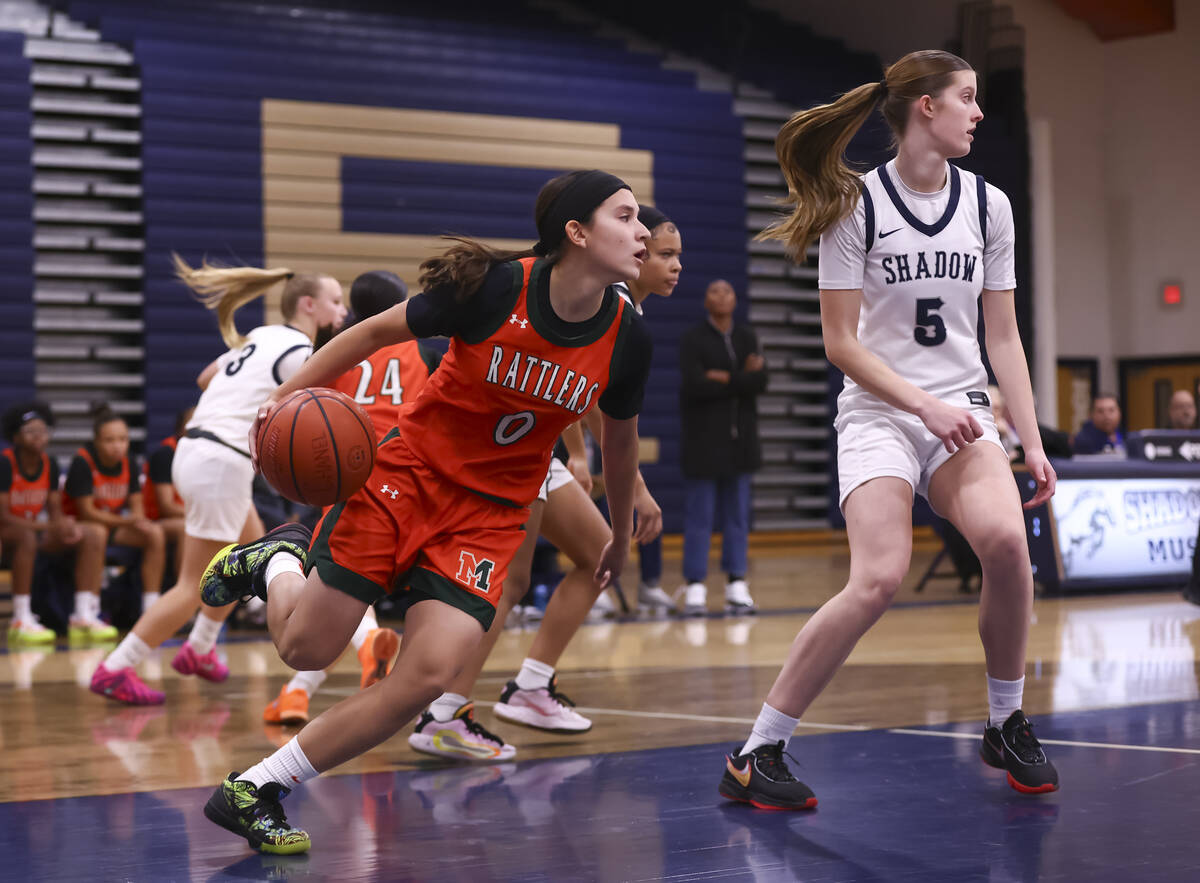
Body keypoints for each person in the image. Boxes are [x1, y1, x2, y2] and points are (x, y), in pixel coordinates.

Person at [197, 169, 651, 854]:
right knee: (305, 647)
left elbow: (620, 444)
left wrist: (619, 530)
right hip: (407, 476)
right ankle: (278, 559)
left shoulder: (627, 337)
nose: (642, 230)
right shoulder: (500, 286)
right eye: (625, 216)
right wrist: (284, 397)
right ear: (576, 231)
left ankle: (256, 787)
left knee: (429, 674)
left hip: (489, 515)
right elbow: (372, 332)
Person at [717, 50, 1059, 811]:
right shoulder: (856, 205)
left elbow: (1002, 336)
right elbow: (841, 343)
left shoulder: (988, 204)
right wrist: (923, 406)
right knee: (877, 577)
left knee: (1008, 545)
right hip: (879, 411)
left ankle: (1007, 720)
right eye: (966, 98)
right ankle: (758, 748)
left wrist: (1031, 438)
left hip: (961, 409)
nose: (978, 112)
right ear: (924, 109)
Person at [406, 203, 672, 762]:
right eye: (663, 252)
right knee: (506, 581)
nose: (669, 262)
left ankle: (529, 683)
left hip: (534, 452)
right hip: (506, 457)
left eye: (674, 254)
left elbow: (574, 393)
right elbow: (579, 396)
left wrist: (576, 453)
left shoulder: (618, 312)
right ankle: (445, 710)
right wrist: (621, 477)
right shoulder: (606, 300)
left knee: (594, 555)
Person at [88, 258, 346, 705]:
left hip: (196, 451)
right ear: (309, 304)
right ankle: (115, 668)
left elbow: (206, 377)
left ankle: (201, 648)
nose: (342, 312)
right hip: (221, 461)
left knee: (255, 555)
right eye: (336, 302)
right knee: (192, 585)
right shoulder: (302, 353)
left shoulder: (263, 336)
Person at [262, 270, 437, 726]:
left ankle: (362, 647)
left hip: (348, 477)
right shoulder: (424, 349)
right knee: (344, 601)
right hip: (413, 481)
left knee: (330, 593)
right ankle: (297, 695)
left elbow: (312, 412)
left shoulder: (339, 349)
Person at [678, 278, 766, 616]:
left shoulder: (747, 336)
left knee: (737, 517)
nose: (721, 296)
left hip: (740, 443)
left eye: (727, 291)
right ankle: (696, 585)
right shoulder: (692, 340)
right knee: (700, 517)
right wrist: (739, 377)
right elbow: (695, 384)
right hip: (703, 443)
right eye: (714, 290)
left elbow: (760, 381)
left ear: (735, 299)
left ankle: (736, 583)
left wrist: (724, 377)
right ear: (705, 300)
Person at [1, 401, 107, 642]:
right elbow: (4, 516)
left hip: (30, 533)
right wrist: (46, 527)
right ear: (15, 436)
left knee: (92, 533)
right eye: (31, 431)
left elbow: (54, 511)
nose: (38, 437)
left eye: (43, 430)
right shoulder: (6, 463)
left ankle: (83, 614)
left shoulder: (50, 464)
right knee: (26, 537)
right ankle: (21, 618)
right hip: (7, 534)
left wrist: (63, 526)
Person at [62, 406, 164, 640]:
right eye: (109, 440)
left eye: (123, 439)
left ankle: (151, 608)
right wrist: (128, 520)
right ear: (96, 441)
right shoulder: (83, 461)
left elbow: (137, 506)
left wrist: (137, 521)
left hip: (110, 525)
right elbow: (86, 512)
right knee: (96, 532)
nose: (117, 445)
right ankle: (85, 612)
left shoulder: (129, 462)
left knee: (154, 533)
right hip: (77, 527)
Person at [142, 407, 194, 588]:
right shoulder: (165, 455)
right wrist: (203, 515)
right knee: (188, 529)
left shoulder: (203, 456)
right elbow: (166, 506)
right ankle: (183, 593)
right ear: (180, 429)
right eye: (192, 423)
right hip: (157, 520)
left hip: (186, 518)